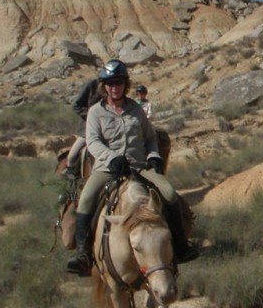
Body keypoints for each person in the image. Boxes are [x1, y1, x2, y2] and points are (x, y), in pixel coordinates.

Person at [65, 59, 199, 276]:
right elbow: (93, 142)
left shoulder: (136, 110)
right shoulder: (96, 113)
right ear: (104, 85)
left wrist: (154, 156)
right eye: (110, 83)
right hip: (108, 168)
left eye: (118, 82)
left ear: (125, 85)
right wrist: (112, 158)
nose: (114, 87)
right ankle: (83, 254)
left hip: (139, 165)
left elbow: (150, 138)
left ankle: (181, 245)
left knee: (169, 193)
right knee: (87, 199)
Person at [64, 76, 101, 176]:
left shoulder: (117, 88)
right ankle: (70, 177)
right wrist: (92, 115)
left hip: (109, 128)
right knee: (72, 155)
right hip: (88, 128)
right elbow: (77, 106)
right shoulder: (92, 85)